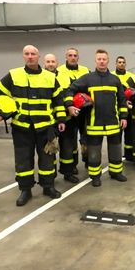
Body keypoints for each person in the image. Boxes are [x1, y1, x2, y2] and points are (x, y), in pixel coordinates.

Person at [0, 45, 67, 206]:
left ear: (38, 56)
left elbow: (58, 101)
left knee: (48, 158)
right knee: (23, 160)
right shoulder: (13, 75)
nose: (30, 56)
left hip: (46, 127)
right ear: (23, 56)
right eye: (27, 54)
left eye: (33, 54)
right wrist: (1, 113)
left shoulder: (49, 77)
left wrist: (61, 120)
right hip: (22, 127)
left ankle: (48, 186)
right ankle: (25, 190)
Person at [66, 49, 128, 187]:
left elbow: (122, 100)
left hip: (113, 122)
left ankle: (116, 172)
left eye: (104, 59)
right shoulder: (88, 78)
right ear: (95, 60)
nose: (101, 61)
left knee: (116, 149)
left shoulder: (115, 79)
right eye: (99, 59)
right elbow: (70, 90)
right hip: (94, 123)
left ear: (108, 61)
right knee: (94, 152)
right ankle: (95, 176)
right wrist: (70, 105)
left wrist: (123, 117)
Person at [56, 48, 90, 183]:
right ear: (66, 56)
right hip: (68, 112)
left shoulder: (85, 70)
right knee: (68, 143)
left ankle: (89, 161)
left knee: (87, 139)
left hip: (85, 111)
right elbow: (58, 93)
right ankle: (68, 170)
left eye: (75, 55)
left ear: (78, 57)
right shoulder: (59, 72)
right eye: (70, 55)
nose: (72, 57)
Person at [112, 56, 134, 160]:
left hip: (129, 110)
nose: (121, 64)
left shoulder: (131, 76)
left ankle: (129, 155)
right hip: (116, 111)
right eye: (119, 62)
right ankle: (116, 156)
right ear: (116, 64)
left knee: (130, 133)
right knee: (117, 135)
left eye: (123, 62)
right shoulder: (111, 76)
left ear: (125, 64)